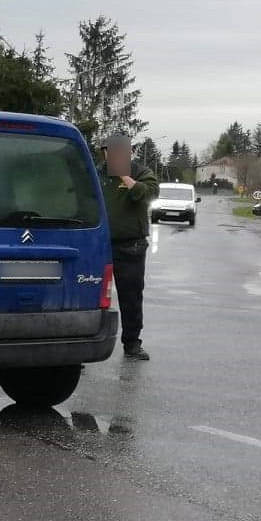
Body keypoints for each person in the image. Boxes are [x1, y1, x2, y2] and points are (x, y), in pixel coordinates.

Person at [100, 133, 159, 359]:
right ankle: (86, 342)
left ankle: (132, 343)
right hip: (99, 244)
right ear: (105, 153)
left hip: (130, 245)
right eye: (111, 152)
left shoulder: (141, 172)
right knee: (91, 294)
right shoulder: (96, 173)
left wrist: (126, 177)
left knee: (131, 296)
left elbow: (149, 194)